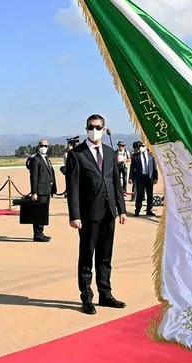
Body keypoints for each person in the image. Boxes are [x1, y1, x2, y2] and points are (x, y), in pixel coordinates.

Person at [65, 114, 127, 315]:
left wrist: (122, 209)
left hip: (109, 212)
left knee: (105, 256)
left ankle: (105, 294)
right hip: (88, 214)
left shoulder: (109, 152)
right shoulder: (77, 154)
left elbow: (116, 183)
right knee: (86, 257)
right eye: (91, 127)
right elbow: (73, 187)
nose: (94, 130)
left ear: (104, 129)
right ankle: (86, 297)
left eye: (98, 127)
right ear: (86, 129)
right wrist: (74, 215)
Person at [27, 139, 57, 242]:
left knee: (43, 212)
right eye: (42, 146)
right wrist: (34, 192)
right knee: (38, 212)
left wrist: (53, 189)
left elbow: (51, 173)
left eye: (46, 146)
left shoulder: (46, 158)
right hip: (40, 191)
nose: (44, 148)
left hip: (47, 190)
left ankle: (41, 232)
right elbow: (34, 177)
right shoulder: (36, 159)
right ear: (38, 146)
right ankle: (37, 234)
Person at [129, 141, 158, 216]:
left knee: (150, 195)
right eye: (140, 146)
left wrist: (156, 177)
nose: (141, 148)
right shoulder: (136, 156)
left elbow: (154, 167)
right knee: (140, 195)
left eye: (143, 146)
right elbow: (132, 168)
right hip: (140, 177)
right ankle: (137, 210)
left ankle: (149, 210)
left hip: (149, 177)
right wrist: (130, 178)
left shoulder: (151, 156)